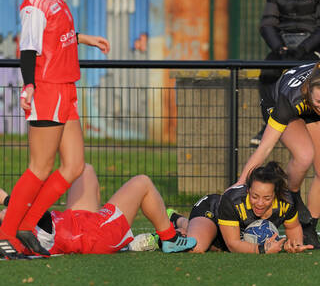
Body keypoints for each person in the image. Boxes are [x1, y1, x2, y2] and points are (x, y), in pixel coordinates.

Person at [0, 0, 111, 257]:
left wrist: (86, 39)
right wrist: (28, 85)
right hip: (47, 89)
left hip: (66, 88)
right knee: (40, 167)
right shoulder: (34, 4)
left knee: (74, 166)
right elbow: (27, 49)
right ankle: (5, 235)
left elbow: (58, 35)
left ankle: (26, 226)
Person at [0, 164, 197, 259]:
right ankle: (169, 239)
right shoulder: (24, 228)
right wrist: (7, 200)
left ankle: (135, 239)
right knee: (142, 182)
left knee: (84, 170)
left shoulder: (18, 230)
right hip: (95, 235)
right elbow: (25, 206)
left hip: (72, 228)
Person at [238, 62, 320, 248]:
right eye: (319, 101)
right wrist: (240, 183)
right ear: (308, 91)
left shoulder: (317, 100)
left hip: (309, 106)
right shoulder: (290, 100)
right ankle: (292, 196)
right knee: (305, 155)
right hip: (276, 102)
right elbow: (264, 149)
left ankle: (309, 227)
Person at [168, 162, 313, 254]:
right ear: (248, 190)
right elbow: (233, 244)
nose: (260, 203)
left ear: (275, 195)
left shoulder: (286, 201)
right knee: (197, 247)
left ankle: (181, 221)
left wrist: (295, 245)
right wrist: (261, 249)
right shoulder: (232, 200)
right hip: (211, 213)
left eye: (267, 198)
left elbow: (293, 229)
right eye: (255, 196)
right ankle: (166, 232)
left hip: (232, 231)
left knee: (214, 246)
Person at [250, 0, 320, 147]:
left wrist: (304, 48)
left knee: (311, 72)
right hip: (284, 45)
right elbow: (267, 23)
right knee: (268, 71)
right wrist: (279, 48)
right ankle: (269, 121)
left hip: (312, 46)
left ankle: (311, 123)